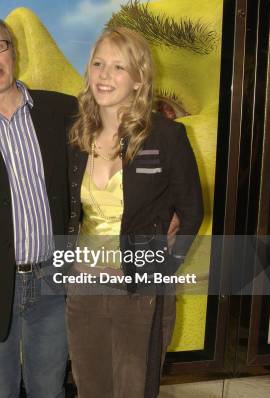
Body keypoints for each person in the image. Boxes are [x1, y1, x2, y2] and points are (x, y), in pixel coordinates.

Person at [66, 28, 203, 398]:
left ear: (139, 78)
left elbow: (191, 212)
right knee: (90, 387)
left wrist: (164, 268)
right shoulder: (77, 137)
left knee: (134, 389)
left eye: (118, 67)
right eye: (98, 64)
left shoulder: (166, 137)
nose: (104, 75)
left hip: (140, 289)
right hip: (84, 288)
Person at [0, 13, 75, 397]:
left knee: (49, 390)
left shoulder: (64, 111)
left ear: (13, 49)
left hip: (53, 281)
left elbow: (114, 163)